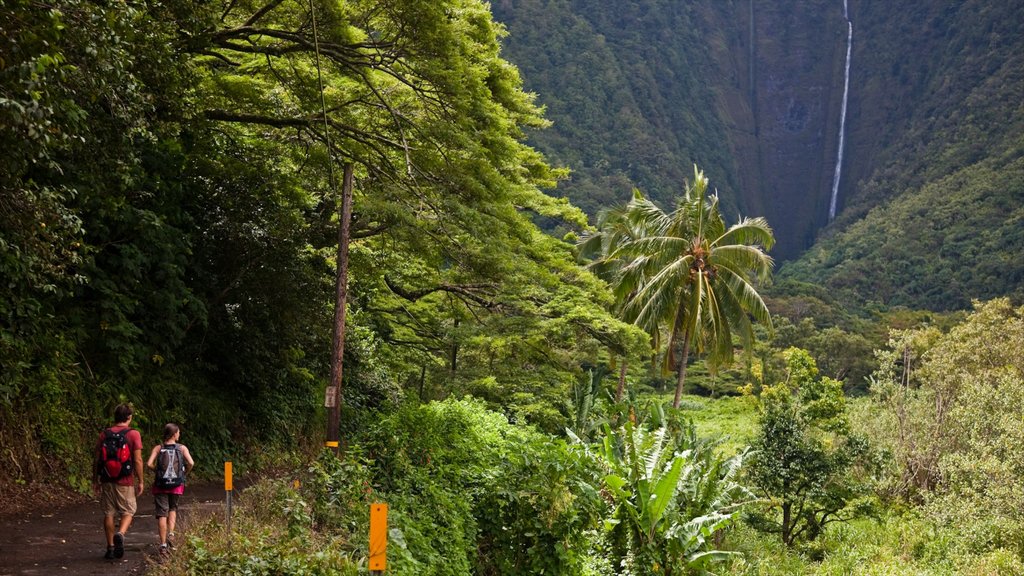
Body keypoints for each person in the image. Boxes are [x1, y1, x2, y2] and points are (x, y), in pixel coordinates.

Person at [94, 403, 144, 560]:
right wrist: (141, 480)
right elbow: (138, 460)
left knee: (108, 513)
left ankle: (110, 548)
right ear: (129, 418)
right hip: (125, 480)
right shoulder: (133, 434)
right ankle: (121, 534)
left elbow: (97, 459)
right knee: (128, 511)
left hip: (106, 479)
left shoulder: (104, 434)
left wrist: (95, 479)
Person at [146, 423, 194, 555]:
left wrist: (157, 470)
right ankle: (171, 534)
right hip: (177, 484)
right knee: (173, 508)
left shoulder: (158, 448)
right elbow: (191, 463)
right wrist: (183, 474)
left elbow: (149, 463)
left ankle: (162, 545)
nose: (179, 434)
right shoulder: (182, 448)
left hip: (160, 484)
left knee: (162, 513)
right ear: (174, 434)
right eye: (178, 432)